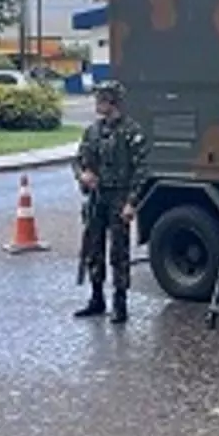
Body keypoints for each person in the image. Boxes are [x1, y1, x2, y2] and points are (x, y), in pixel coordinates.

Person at [73, 80, 149, 323]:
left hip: (119, 196)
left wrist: (131, 202)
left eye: (101, 100)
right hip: (97, 197)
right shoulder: (93, 131)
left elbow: (142, 170)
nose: (97, 105)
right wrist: (83, 175)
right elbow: (79, 159)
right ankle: (96, 298)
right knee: (94, 248)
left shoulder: (131, 132)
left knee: (119, 252)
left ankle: (120, 303)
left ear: (112, 102)